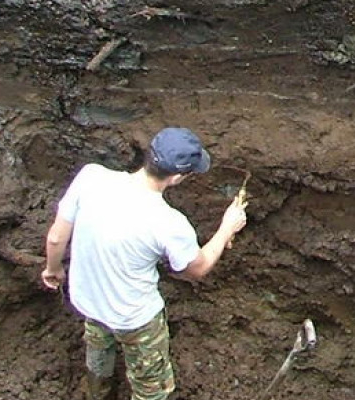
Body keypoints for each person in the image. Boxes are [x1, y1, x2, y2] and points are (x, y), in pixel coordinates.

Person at [40, 127, 248, 400]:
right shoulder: (168, 222)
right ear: (176, 177)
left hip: (89, 302)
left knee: (98, 349)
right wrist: (226, 229)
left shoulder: (90, 177)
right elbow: (197, 269)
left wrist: (53, 269)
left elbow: (56, 237)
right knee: (151, 385)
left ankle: (97, 390)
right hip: (136, 319)